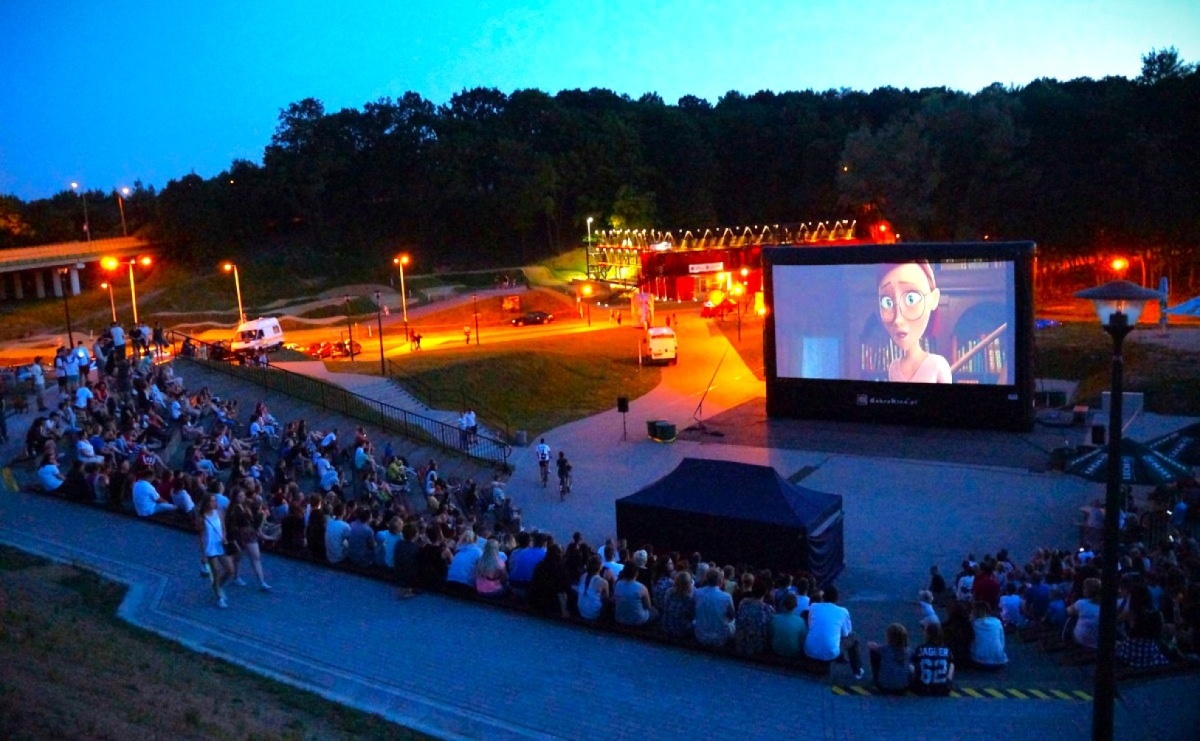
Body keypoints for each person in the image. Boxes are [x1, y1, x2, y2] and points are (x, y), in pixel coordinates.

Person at [876, 261, 951, 383]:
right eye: (887, 302)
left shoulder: (938, 365)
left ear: (934, 299)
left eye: (911, 298)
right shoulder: (893, 368)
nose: (898, 319)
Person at [804, 585, 864, 678]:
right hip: (830, 653)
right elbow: (846, 633)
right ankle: (857, 671)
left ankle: (840, 658)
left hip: (809, 650)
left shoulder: (813, 606)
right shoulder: (843, 611)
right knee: (853, 638)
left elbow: (810, 625)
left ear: (823, 597)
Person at [197, 494, 234, 608]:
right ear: (206, 503)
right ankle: (219, 597)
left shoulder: (219, 512)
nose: (213, 503)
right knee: (216, 572)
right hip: (210, 547)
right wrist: (203, 554)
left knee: (230, 570)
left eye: (214, 501)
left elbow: (223, 527)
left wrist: (224, 537)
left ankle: (217, 586)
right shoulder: (202, 518)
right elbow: (202, 536)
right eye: (211, 501)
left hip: (220, 544)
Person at [693, 567, 735, 648]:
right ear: (720, 581)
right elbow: (733, 616)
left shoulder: (697, 592)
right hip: (719, 639)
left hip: (700, 636)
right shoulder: (726, 597)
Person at [911, 622, 955, 696]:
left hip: (921, 688)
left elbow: (914, 662)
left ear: (927, 634)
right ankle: (948, 681)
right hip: (943, 688)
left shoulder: (921, 648)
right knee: (951, 664)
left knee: (912, 665)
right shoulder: (946, 649)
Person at [868, 623, 914, 692]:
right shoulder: (909, 651)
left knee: (874, 652)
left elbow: (871, 646)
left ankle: (876, 678)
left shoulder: (885, 649)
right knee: (911, 667)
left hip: (883, 687)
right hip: (903, 688)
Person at [613, 560, 656, 627]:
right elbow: (648, 606)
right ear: (636, 573)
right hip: (638, 620)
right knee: (655, 612)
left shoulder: (618, 584)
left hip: (620, 618)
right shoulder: (641, 588)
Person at [969, 601, 1008, 668]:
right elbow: (1002, 639)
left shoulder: (974, 623)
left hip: (979, 659)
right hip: (999, 659)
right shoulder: (997, 622)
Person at [661, 571, 697, 640]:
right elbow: (693, 615)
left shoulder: (669, 592)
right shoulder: (691, 597)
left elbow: (665, 608)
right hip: (682, 629)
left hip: (667, 626)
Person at [771, 592, 808, 658]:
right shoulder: (800, 621)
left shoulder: (775, 619)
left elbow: (770, 635)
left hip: (776, 649)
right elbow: (803, 640)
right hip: (793, 652)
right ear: (796, 605)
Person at [1068, 577, 1102, 649]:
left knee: (1071, 619)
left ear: (1087, 591)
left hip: (1080, 640)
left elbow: (1068, 612)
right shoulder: (1106, 605)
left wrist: (1072, 602)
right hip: (1097, 642)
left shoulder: (1081, 603)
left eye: (1084, 588)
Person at [575, 554, 609, 622]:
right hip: (593, 615)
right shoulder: (603, 582)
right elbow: (606, 599)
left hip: (581, 611)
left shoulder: (583, 576)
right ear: (600, 567)